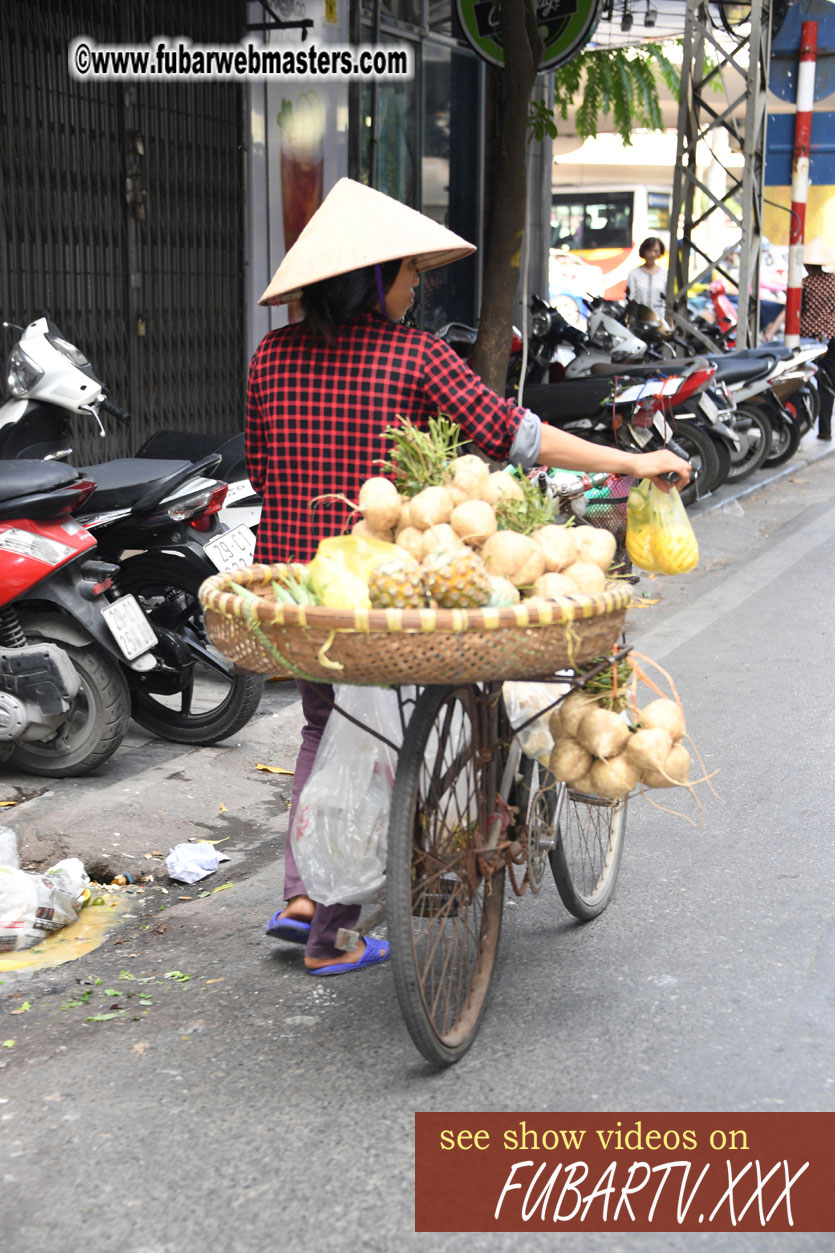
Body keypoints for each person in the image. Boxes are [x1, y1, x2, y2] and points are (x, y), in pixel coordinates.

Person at [245, 178, 691, 977]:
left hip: (300, 593)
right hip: (393, 592)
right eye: (409, 274)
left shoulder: (270, 357)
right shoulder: (411, 354)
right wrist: (630, 458)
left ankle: (305, 893)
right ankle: (333, 929)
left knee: (327, 728)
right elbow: (513, 434)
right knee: (394, 735)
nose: (417, 287)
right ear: (374, 280)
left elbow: (263, 465)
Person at [762, 236, 835, 440]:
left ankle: (794, 425)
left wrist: (771, 330)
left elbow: (791, 310)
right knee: (827, 384)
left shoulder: (802, 284)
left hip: (808, 339)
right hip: (832, 336)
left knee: (797, 379)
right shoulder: (834, 281)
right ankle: (825, 430)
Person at [626, 237, 668, 317]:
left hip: (660, 318)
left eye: (656, 251)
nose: (652, 254)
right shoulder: (634, 273)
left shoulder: (665, 273)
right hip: (639, 317)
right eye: (649, 251)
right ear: (643, 251)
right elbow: (630, 298)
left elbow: (668, 300)